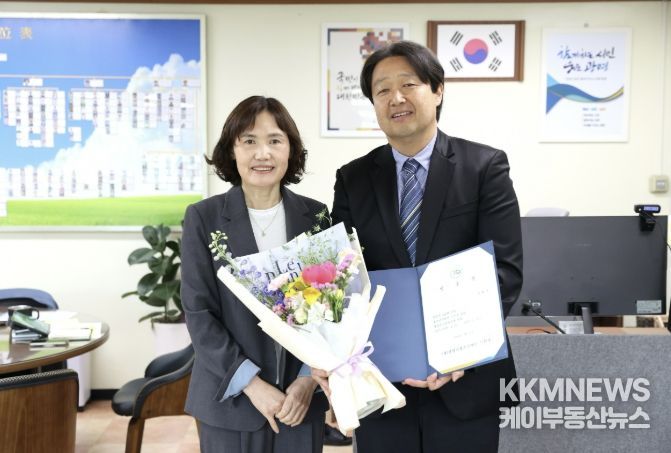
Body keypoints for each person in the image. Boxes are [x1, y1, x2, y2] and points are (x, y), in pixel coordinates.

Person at [314, 41, 523, 452]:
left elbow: (504, 270)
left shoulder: (484, 167)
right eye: (382, 90)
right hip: (382, 380)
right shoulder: (353, 179)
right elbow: (341, 278)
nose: (396, 98)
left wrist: (457, 352)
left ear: (438, 90)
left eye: (408, 84)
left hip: (465, 378)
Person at [181, 96, 329, 452]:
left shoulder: (316, 217)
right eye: (249, 141)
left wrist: (308, 380)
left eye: (275, 140)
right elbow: (199, 314)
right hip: (231, 401)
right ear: (232, 151)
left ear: (290, 150)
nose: (263, 153)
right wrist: (252, 384)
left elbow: (330, 309)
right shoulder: (203, 218)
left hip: (299, 403)